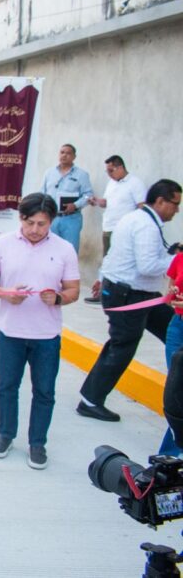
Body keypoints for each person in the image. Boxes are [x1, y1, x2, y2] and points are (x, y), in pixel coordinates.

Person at [0, 193, 80, 470]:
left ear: (51, 223)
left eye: (42, 224)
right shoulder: (2, 244)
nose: (35, 230)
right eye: (30, 223)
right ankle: (5, 434)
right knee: (7, 387)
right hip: (11, 332)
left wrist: (58, 298)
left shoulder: (64, 249)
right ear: (20, 218)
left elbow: (73, 290)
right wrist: (5, 293)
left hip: (46, 336)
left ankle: (38, 443)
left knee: (44, 391)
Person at [79, 180, 182, 422]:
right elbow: (147, 267)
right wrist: (177, 262)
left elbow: (119, 253)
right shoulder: (144, 225)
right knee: (122, 347)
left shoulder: (138, 218)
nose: (176, 210)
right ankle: (90, 401)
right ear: (160, 201)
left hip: (138, 294)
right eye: (174, 204)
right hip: (129, 296)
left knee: (173, 329)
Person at [84, 155, 146, 302]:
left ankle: (113, 294)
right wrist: (97, 201)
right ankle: (103, 293)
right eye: (107, 171)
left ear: (120, 167)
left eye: (111, 170)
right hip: (108, 228)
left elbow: (141, 206)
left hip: (124, 232)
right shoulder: (111, 183)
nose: (109, 174)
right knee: (107, 261)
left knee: (120, 263)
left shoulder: (135, 183)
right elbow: (107, 202)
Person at [40, 143, 93, 253]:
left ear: (74, 157)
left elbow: (88, 195)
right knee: (49, 250)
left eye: (68, 153)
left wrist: (75, 205)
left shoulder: (82, 174)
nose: (64, 155)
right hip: (51, 218)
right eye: (62, 152)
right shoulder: (49, 173)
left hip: (71, 219)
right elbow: (42, 193)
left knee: (70, 251)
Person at [161, 253, 183, 456]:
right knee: (176, 393)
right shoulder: (180, 259)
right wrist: (173, 295)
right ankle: (169, 457)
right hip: (178, 326)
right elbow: (170, 294)